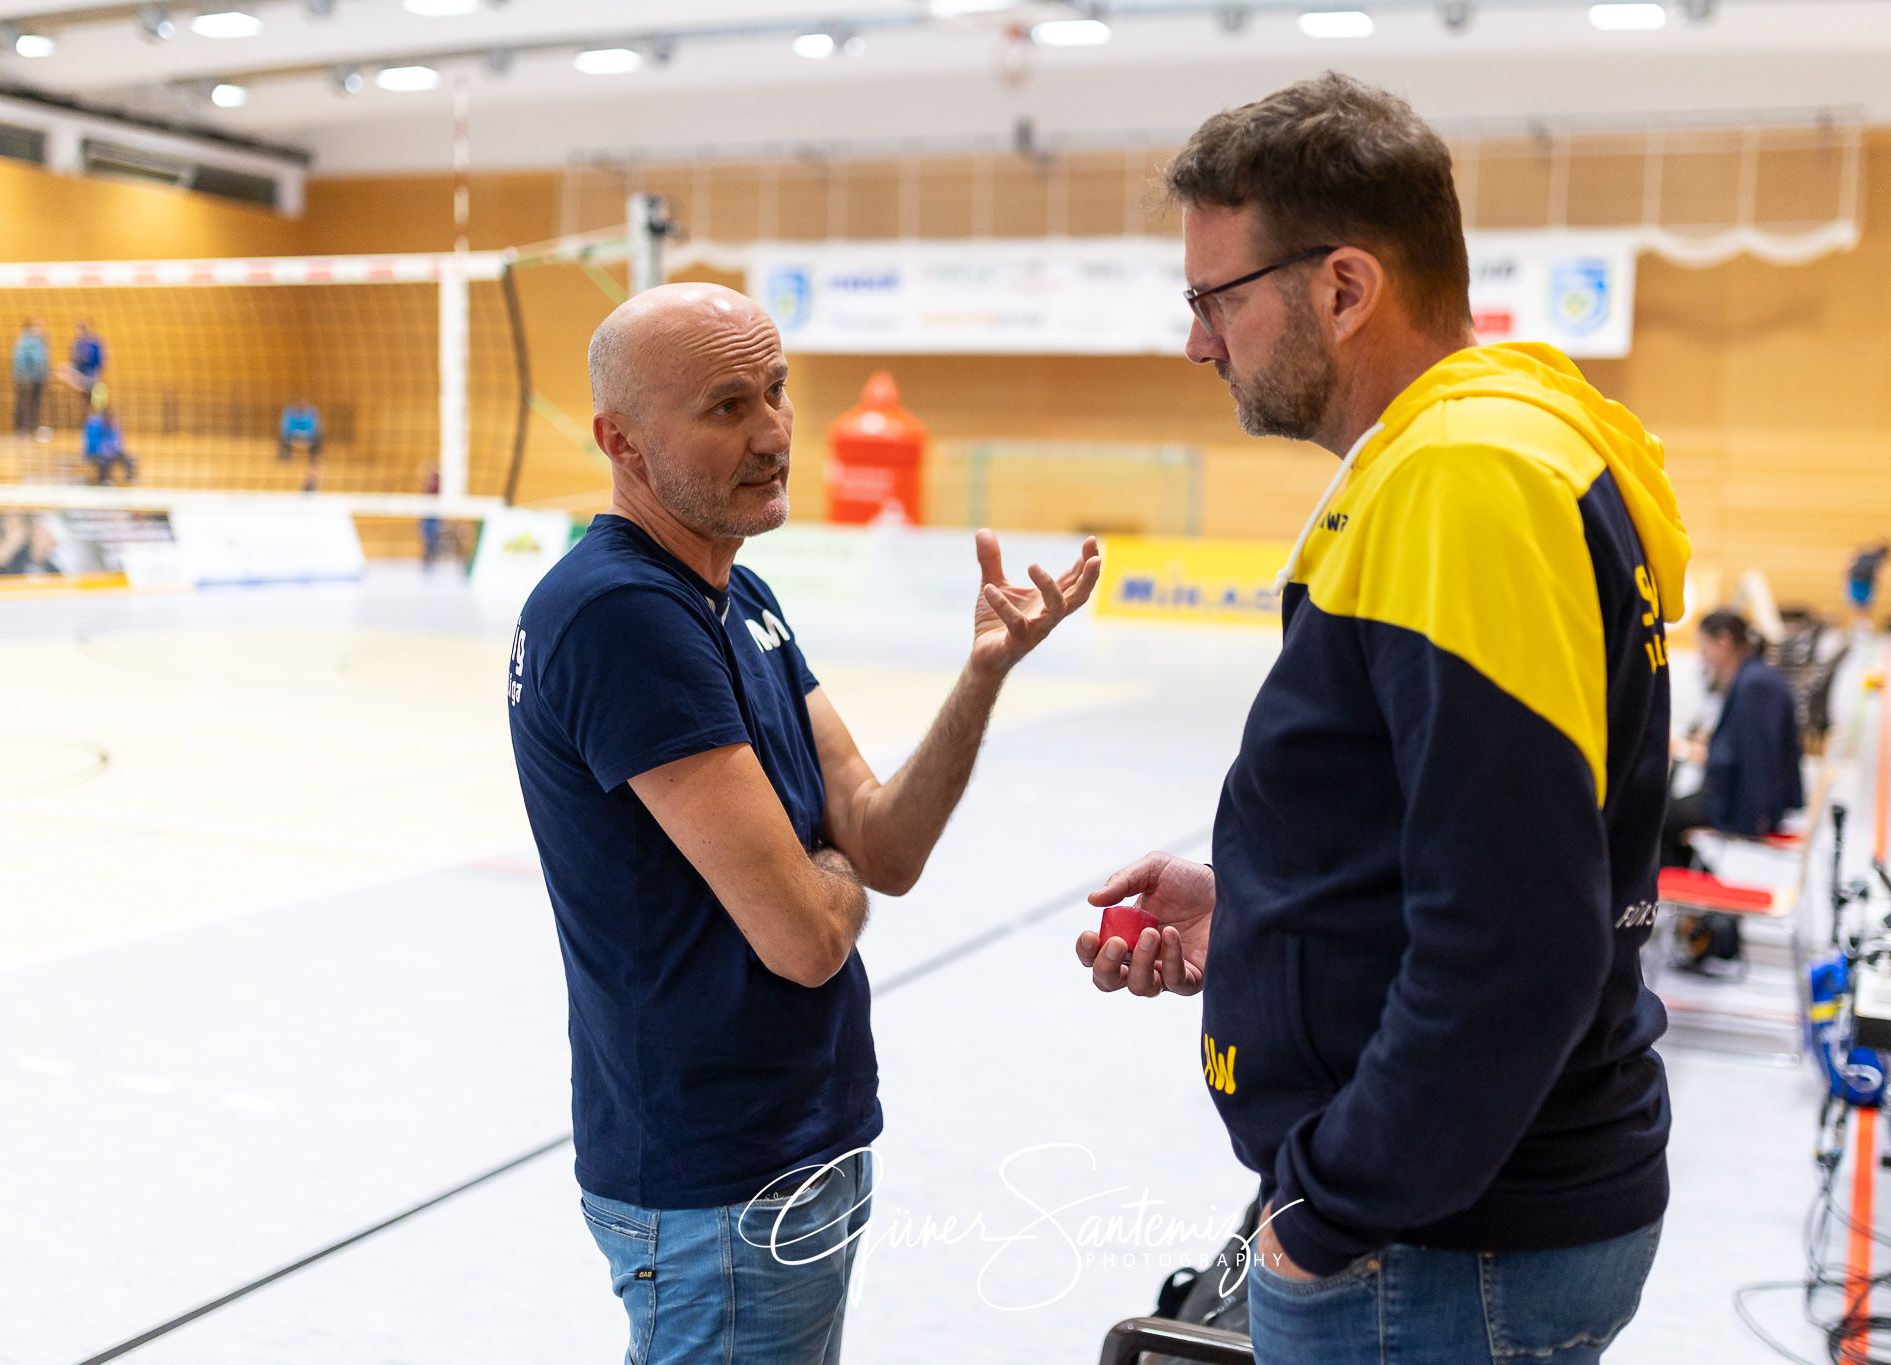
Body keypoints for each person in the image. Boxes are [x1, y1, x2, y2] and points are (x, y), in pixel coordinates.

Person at [1072, 74, 1690, 1365]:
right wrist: (1267, 919)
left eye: (1215, 298)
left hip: (1441, 1244)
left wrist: (1333, 1207)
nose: (1198, 342)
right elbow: (1471, 835)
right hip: (1457, 1221)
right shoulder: (1501, 445)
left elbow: (1516, 931)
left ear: (1344, 287)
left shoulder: (1462, 479)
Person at [507, 282, 1098, 1365]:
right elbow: (808, 937)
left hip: (794, 1142)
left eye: (776, 391)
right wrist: (822, 879)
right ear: (620, 442)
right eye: (727, 406)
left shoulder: (742, 595)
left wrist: (979, 677)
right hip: (716, 1178)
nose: (774, 430)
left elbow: (879, 846)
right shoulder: (620, 615)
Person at [1661, 609, 1805, 870]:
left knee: (1660, 816)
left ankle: (1698, 896)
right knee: (1669, 812)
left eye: (1703, 646)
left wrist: (1754, 820)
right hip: (1745, 797)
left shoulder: (1754, 685)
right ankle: (1701, 890)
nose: (1702, 655)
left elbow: (1758, 757)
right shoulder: (1754, 676)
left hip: (1745, 806)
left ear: (1723, 641)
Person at [12, 319, 48, 436]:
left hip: (37, 379)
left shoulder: (40, 341)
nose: (41, 329)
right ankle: (22, 430)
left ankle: (32, 429)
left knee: (35, 404)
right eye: (38, 326)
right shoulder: (25, 341)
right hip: (25, 378)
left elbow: (43, 360)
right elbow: (33, 360)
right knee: (24, 404)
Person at [82, 407, 134, 485]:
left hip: (112, 453)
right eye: (108, 416)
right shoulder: (95, 426)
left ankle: (129, 481)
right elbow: (92, 444)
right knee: (104, 461)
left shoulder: (114, 426)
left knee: (128, 459)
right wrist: (104, 451)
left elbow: (118, 443)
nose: (110, 418)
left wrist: (113, 451)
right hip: (97, 454)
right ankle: (103, 481)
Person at [279, 400, 322, 492]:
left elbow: (313, 428)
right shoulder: (290, 412)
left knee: (319, 435)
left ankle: (314, 457)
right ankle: (284, 457)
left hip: (307, 437)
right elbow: (286, 428)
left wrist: (305, 435)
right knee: (282, 437)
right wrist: (295, 435)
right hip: (293, 436)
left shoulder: (311, 412)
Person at [1846, 542, 1888, 628]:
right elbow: (1879, 571)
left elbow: (1850, 561)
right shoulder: (1877, 558)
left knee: (1858, 604)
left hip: (1857, 580)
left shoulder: (1865, 552)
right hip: (1863, 582)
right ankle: (1861, 624)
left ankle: (1860, 623)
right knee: (1864, 605)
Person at [65, 321, 104, 392]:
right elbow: (73, 358)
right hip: (81, 373)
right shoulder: (78, 341)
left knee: (91, 394)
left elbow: (101, 359)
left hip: (92, 375)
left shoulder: (96, 342)